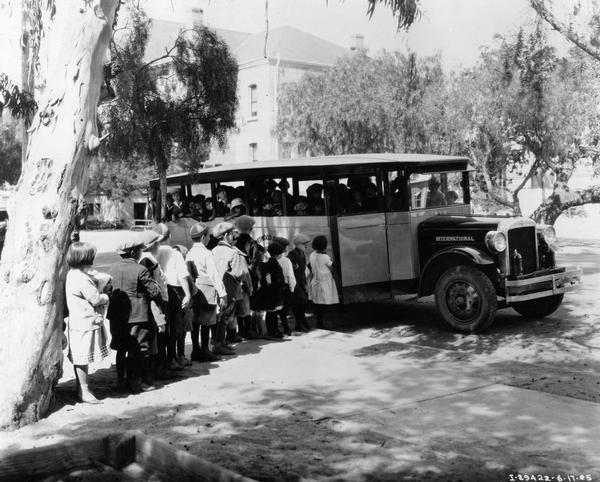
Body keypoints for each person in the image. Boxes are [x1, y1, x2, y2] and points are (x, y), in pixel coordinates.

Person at [107, 236, 163, 393]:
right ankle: (135, 382)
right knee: (138, 349)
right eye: (139, 250)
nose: (141, 252)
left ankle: (120, 381)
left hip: (117, 316)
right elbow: (155, 291)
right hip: (137, 315)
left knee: (120, 348)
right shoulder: (141, 269)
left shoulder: (112, 269)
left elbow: (108, 291)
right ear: (132, 252)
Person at [65, 241, 110, 403]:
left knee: (80, 356)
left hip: (78, 321)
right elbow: (95, 298)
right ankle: (84, 391)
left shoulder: (72, 274)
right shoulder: (81, 279)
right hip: (85, 323)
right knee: (82, 358)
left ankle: (81, 388)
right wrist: (106, 296)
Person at [153, 223, 193, 370]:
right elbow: (182, 276)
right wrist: (188, 294)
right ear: (169, 237)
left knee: (163, 326)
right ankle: (172, 359)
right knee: (175, 327)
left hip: (158, 291)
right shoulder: (175, 253)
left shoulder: (153, 252)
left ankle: (161, 360)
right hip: (174, 291)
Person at [186, 223, 227, 362]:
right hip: (207, 289)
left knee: (195, 322)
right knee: (206, 321)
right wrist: (222, 293)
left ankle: (195, 350)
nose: (209, 238)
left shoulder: (189, 253)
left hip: (193, 289)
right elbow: (214, 274)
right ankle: (205, 350)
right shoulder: (206, 253)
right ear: (203, 237)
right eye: (208, 236)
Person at [212, 222, 253, 355]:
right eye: (230, 234)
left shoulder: (214, 250)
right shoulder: (232, 252)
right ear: (226, 235)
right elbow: (240, 274)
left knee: (220, 317)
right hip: (230, 289)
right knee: (225, 318)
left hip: (217, 288)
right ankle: (219, 344)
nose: (233, 236)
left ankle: (221, 342)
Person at [139, 230, 169, 381]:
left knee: (157, 340)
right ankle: (153, 373)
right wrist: (159, 314)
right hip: (154, 304)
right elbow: (151, 290)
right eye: (157, 242)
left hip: (157, 302)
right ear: (151, 245)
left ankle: (155, 371)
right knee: (155, 340)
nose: (159, 245)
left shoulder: (149, 259)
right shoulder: (147, 261)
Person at [233, 215, 260, 339]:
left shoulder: (234, 242)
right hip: (248, 277)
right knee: (247, 305)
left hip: (235, 277)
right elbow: (255, 263)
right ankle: (248, 330)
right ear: (250, 228)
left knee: (239, 304)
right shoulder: (252, 243)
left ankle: (240, 329)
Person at [308, 235, 339, 328]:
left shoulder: (312, 255)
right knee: (326, 302)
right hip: (325, 282)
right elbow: (332, 268)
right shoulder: (325, 257)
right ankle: (327, 322)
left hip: (315, 281)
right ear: (324, 246)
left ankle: (319, 322)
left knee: (318, 303)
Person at [287, 233, 311, 332]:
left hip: (300, 282)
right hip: (295, 283)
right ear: (298, 244)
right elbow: (288, 262)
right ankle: (300, 322)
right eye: (304, 244)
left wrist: (305, 284)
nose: (306, 246)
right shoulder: (293, 253)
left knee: (302, 303)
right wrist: (293, 265)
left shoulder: (302, 254)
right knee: (299, 303)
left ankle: (301, 321)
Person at [272, 236, 296, 336]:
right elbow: (290, 276)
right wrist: (292, 288)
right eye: (285, 247)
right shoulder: (286, 261)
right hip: (284, 286)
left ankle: (275, 329)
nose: (286, 249)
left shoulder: (269, 259)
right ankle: (286, 328)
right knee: (284, 308)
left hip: (273, 287)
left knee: (274, 309)